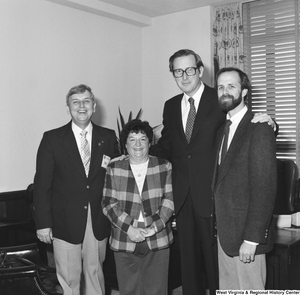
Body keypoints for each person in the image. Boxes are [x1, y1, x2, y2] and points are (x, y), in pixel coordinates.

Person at [150, 49, 277, 295]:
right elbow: (167, 146)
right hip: (184, 195)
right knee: (189, 265)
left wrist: (272, 123)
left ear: (200, 70)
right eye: (178, 71)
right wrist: (138, 153)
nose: (184, 76)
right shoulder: (170, 106)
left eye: (189, 69)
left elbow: (245, 127)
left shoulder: (219, 98)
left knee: (218, 267)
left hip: (215, 197)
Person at [33, 84, 119, 295]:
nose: (82, 106)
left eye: (86, 101)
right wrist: (43, 224)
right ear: (68, 108)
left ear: (94, 106)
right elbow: (42, 185)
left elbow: (116, 179)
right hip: (64, 221)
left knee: (95, 275)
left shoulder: (108, 137)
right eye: (76, 102)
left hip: (98, 220)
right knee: (69, 279)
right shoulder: (52, 139)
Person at [213, 67, 277, 289]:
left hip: (247, 237)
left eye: (231, 86)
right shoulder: (222, 130)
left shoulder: (259, 127)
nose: (225, 91)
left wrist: (252, 238)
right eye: (221, 87)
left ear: (245, 91)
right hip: (225, 235)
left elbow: (265, 187)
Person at [102, 119, 174, 295]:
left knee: (157, 290)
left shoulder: (163, 166)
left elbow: (170, 200)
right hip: (124, 239)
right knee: (129, 290)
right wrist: (130, 228)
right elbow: (108, 204)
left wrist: (154, 228)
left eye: (142, 139)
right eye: (132, 139)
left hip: (157, 238)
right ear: (125, 145)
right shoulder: (114, 167)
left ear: (150, 142)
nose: (138, 144)